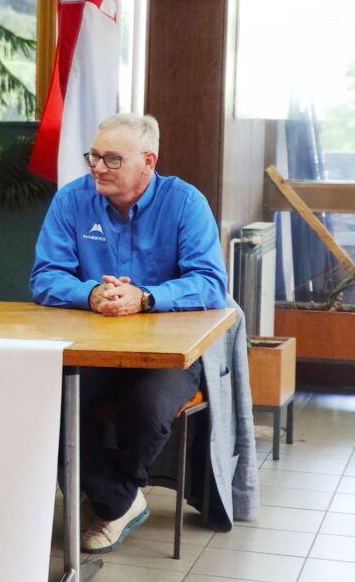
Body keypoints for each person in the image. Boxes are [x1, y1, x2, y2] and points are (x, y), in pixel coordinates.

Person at [30, 112, 228, 554]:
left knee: (145, 407)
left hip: (166, 353)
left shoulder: (185, 203)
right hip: (92, 347)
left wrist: (147, 297)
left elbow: (211, 284)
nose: (98, 167)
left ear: (148, 162)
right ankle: (120, 502)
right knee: (48, 400)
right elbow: (45, 276)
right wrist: (89, 293)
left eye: (112, 159)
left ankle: (109, 499)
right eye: (94, 156)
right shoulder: (71, 200)